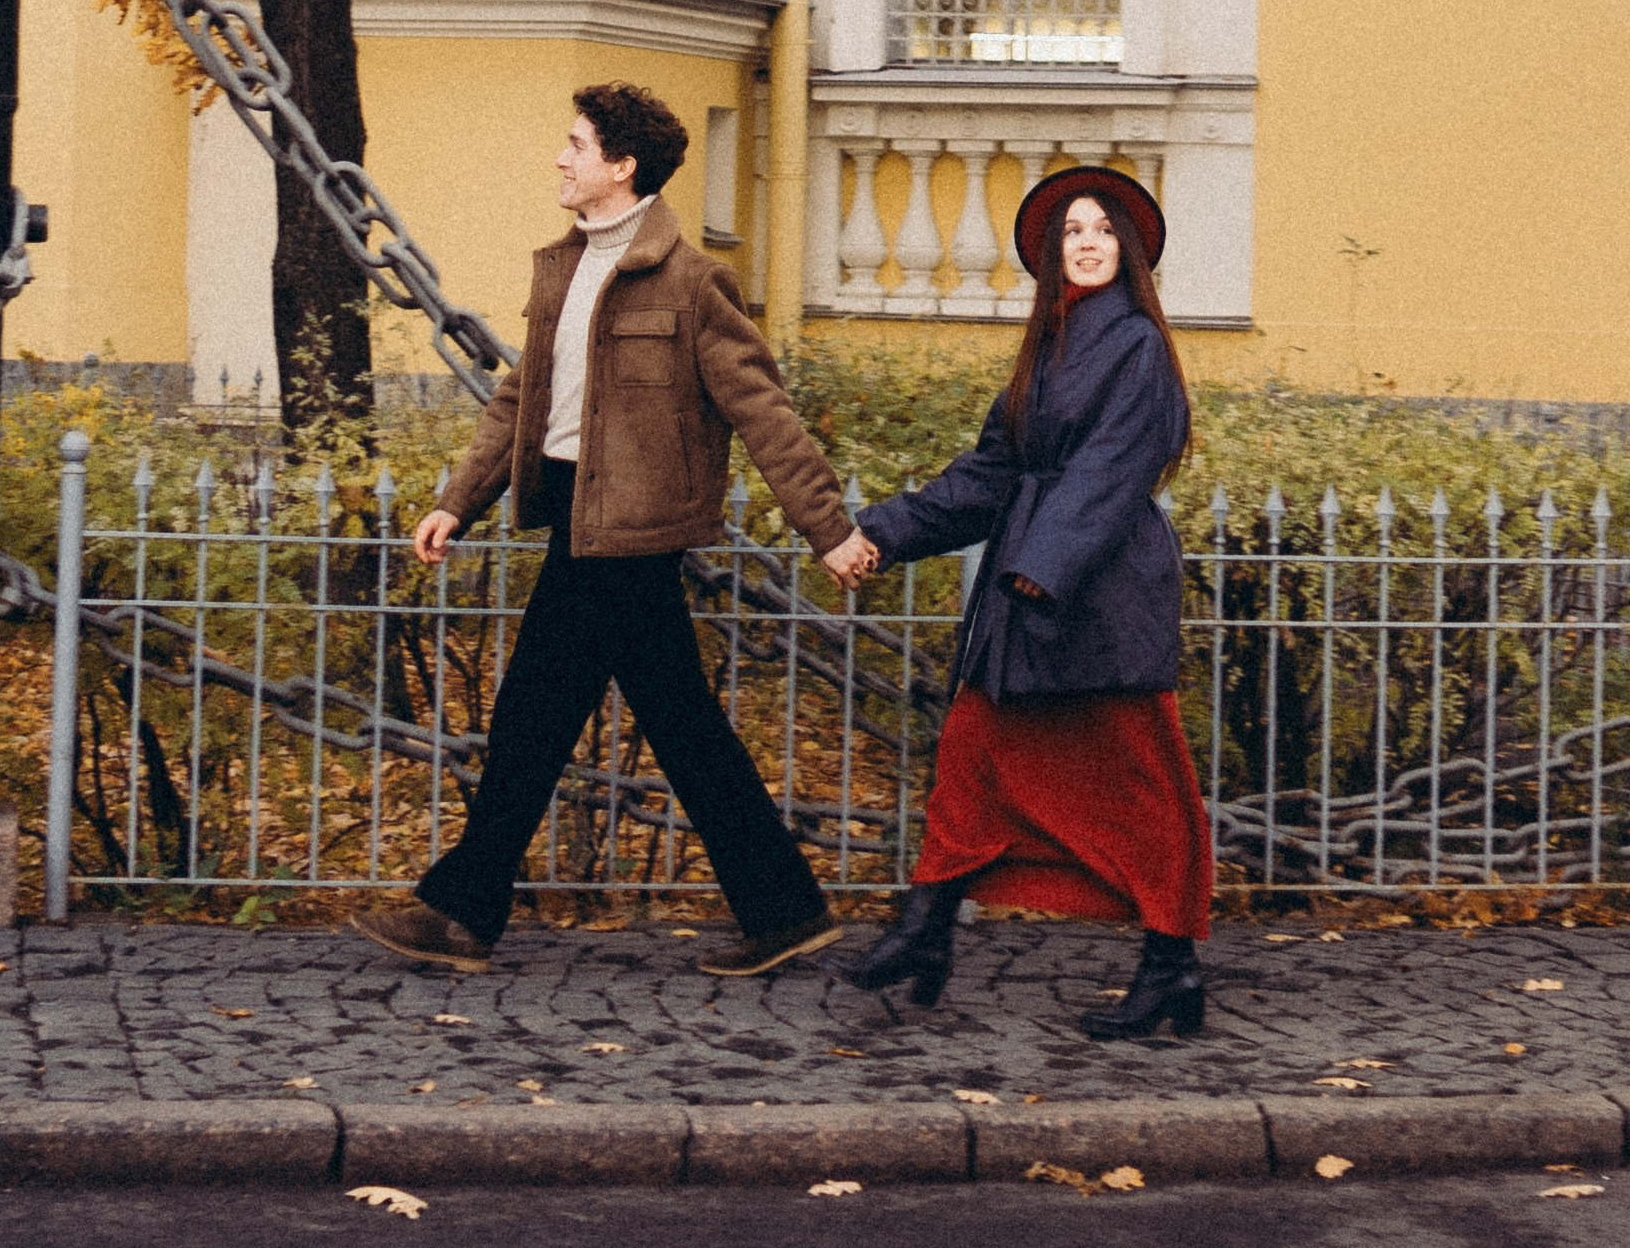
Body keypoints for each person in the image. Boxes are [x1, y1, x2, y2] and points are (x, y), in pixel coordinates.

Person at [356, 82, 867, 977]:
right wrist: (456, 500)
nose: (561, 157)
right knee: (652, 721)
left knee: (536, 719)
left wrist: (828, 529)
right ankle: (781, 906)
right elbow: (522, 398)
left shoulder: (692, 281)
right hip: (575, 520)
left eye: (577, 144)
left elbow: (764, 412)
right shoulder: (563, 265)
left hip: (632, 533)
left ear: (621, 167)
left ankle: (465, 911)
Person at [835, 168, 1213, 1042]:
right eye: (1072, 231)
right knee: (970, 758)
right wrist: (883, 533)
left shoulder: (1138, 347)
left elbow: (1112, 470)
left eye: (1103, 231)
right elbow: (990, 475)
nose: (1085, 242)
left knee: (1142, 787)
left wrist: (1040, 570)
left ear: (1129, 252)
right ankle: (926, 930)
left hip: (1098, 594)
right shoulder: (1045, 347)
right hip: (1029, 592)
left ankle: (1171, 966)